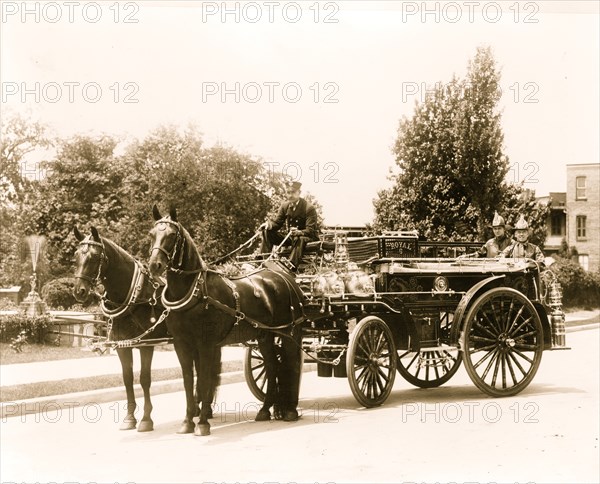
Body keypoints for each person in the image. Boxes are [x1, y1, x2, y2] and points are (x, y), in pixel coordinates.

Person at [259, 181, 318, 269]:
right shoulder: (285, 206)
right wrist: (269, 225)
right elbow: (277, 223)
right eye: (288, 192)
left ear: (299, 193)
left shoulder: (308, 208)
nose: (290, 195)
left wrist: (299, 232)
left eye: (293, 192)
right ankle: (263, 260)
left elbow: (310, 230)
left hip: (306, 238)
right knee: (267, 232)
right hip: (291, 237)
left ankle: (291, 266)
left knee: (299, 238)